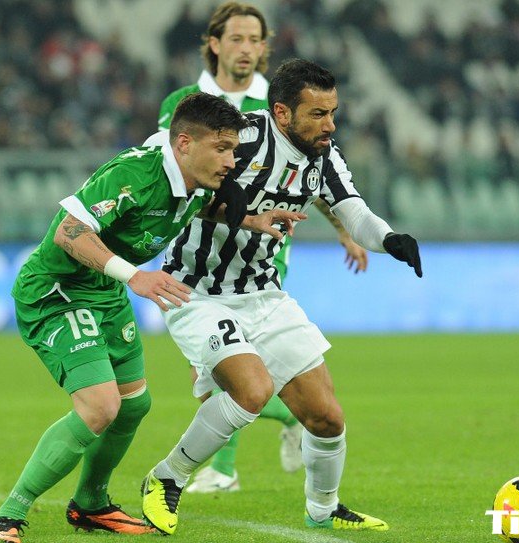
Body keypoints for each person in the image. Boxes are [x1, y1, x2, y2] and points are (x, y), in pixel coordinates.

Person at [0, 92, 304, 543]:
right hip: (59, 291)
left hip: (105, 291)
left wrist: (252, 220)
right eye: (222, 148)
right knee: (101, 406)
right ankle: (7, 517)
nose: (232, 161)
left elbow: (195, 206)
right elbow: (68, 232)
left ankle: (91, 504)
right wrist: (135, 276)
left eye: (233, 149)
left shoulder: (193, 178)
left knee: (133, 405)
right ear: (185, 143)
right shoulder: (135, 174)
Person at [140, 59, 422, 535]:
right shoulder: (241, 137)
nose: (330, 125)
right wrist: (226, 203)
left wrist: (389, 239)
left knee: (327, 418)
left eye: (333, 113)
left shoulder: (324, 157)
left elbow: (354, 212)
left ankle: (323, 509)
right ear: (282, 113)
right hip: (195, 291)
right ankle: (168, 476)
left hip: (263, 292)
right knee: (251, 391)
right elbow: (167, 163)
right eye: (318, 114)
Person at [156, 1, 368, 494]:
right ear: (215, 44)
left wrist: (343, 228)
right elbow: (172, 170)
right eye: (237, 39)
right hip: (198, 252)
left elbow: (311, 173)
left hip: (263, 257)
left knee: (230, 373)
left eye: (256, 40)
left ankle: (223, 470)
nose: (247, 49)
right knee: (215, 375)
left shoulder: (277, 103)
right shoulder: (184, 101)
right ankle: (284, 423)